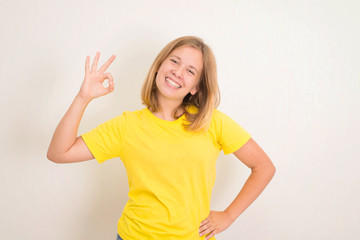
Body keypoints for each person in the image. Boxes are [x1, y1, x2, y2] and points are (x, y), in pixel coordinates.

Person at [47, 36, 276, 240]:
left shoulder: (211, 121)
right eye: (174, 61)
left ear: (196, 87)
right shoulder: (127, 125)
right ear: (159, 66)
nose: (178, 71)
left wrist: (228, 215)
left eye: (190, 70)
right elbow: (59, 153)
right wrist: (82, 98)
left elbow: (263, 167)